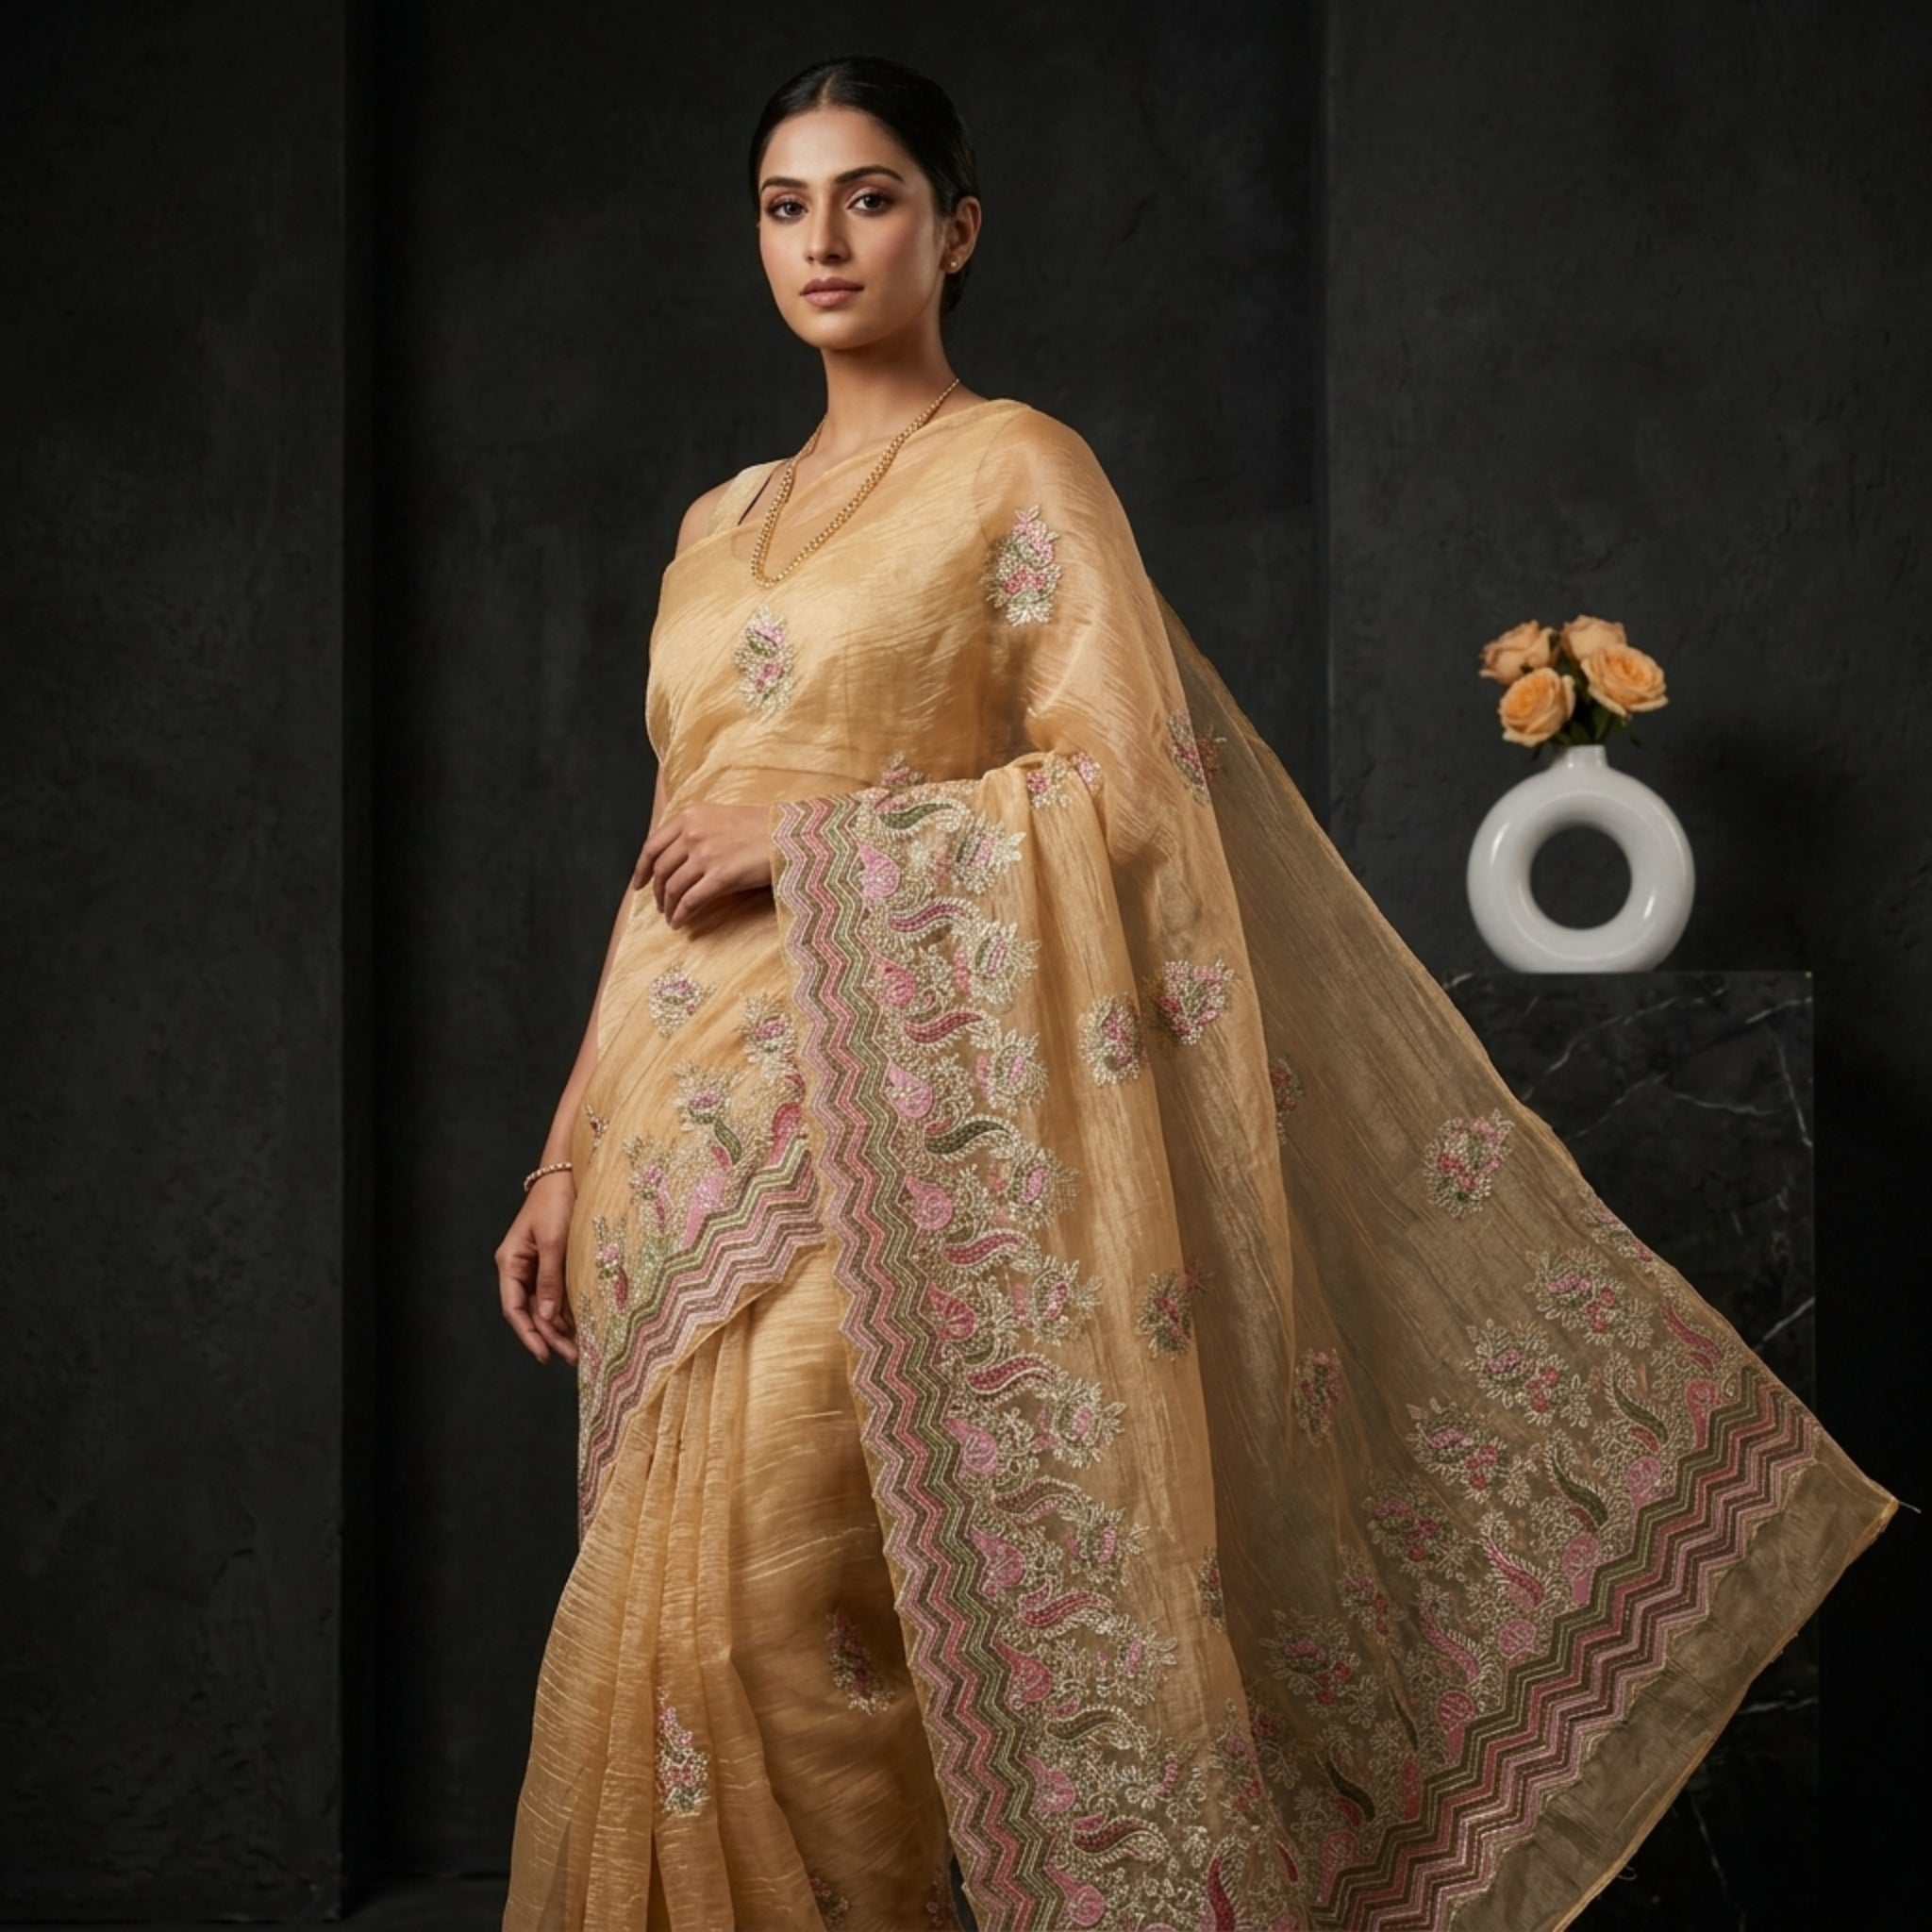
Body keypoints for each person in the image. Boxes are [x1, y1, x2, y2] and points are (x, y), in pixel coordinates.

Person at [494, 55, 1895, 1932]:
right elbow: (661, 866)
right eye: (783, 203)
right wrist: (568, 1152)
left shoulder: (1016, 467)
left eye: (871, 196)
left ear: (956, 230)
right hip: (675, 1148)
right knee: (660, 1633)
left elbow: (1125, 793)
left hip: (886, 1124)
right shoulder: (707, 524)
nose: (822, 239)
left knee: (788, 1608)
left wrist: (819, 845)